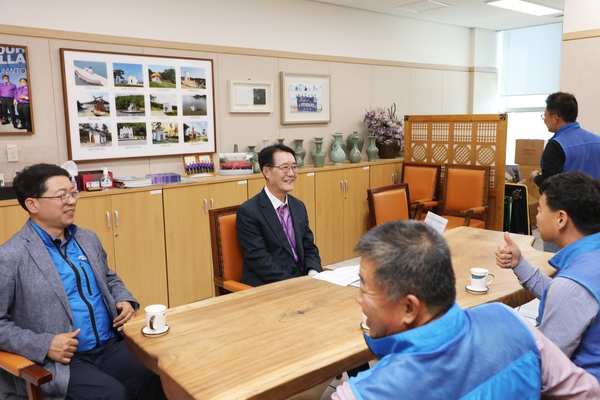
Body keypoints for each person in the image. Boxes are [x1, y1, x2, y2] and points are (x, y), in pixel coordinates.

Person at [333, 220, 600, 400]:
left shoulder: (362, 393)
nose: (358, 299)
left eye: (365, 288)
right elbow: (587, 392)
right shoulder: (512, 322)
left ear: (408, 307)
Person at [0, 164, 167, 400]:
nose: (71, 201)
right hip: (61, 361)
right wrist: (45, 344)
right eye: (61, 196)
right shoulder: (10, 256)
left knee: (158, 376)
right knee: (113, 395)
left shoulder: (87, 238)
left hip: (109, 345)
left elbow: (109, 277)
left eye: (73, 193)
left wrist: (124, 299)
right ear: (32, 204)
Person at [496, 171, 600, 381]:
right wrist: (519, 263)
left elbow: (542, 367)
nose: (536, 215)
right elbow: (565, 300)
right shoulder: (590, 260)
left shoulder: (571, 288)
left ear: (561, 218)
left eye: (540, 209)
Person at [236, 144, 322, 286]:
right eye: (284, 168)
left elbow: (309, 246)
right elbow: (259, 260)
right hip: (269, 285)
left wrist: (313, 273)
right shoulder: (249, 212)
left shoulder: (298, 206)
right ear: (266, 171)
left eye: (294, 167)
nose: (291, 173)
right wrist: (295, 284)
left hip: (303, 281)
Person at [530, 92, 600, 252]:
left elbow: (549, 185)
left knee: (557, 268)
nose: (545, 120)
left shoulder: (556, 145)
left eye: (545, 115)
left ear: (555, 117)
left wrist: (535, 177)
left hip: (565, 223)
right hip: (594, 219)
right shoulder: (597, 140)